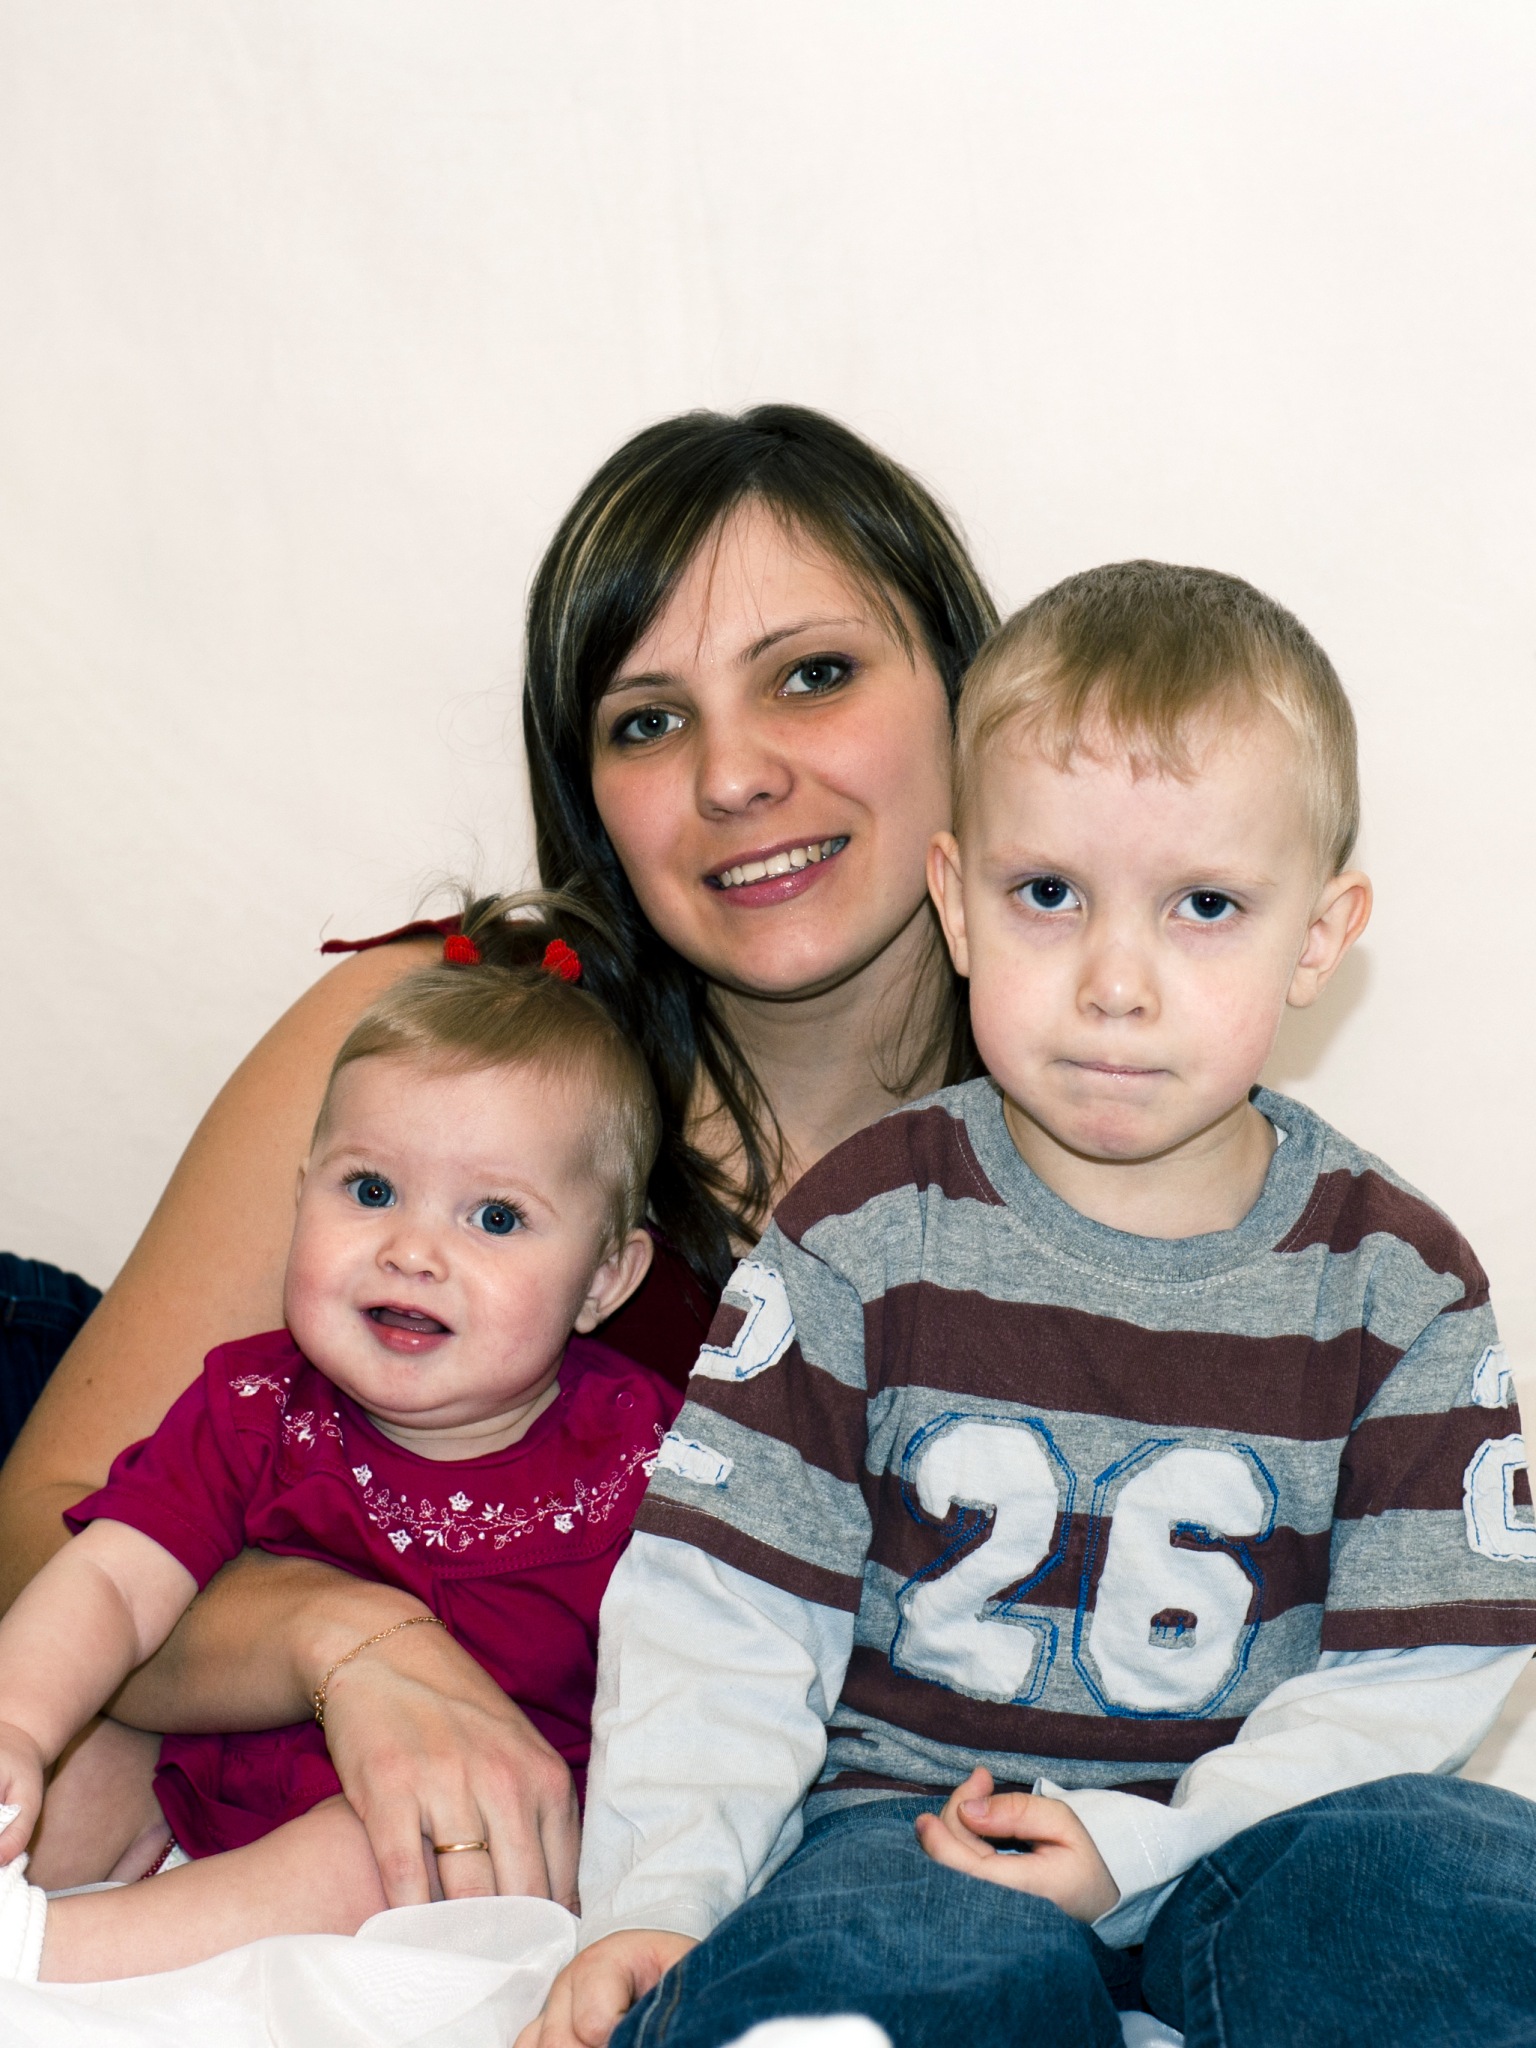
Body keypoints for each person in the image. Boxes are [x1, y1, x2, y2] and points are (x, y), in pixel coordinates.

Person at [521, 562, 1536, 2048]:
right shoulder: (859, 1235)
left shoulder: (1399, 1285)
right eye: (1048, 895)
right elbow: (725, 1613)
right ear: (957, 902)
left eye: (1204, 906)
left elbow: (1416, 1674)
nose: (1116, 983)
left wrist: (1150, 1841)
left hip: (1250, 1840)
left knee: (1467, 1879)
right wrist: (657, 1899)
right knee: (891, 1956)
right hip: (922, 1827)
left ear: (1319, 937)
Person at [0, 405, 997, 1908]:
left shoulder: (1114, 1159)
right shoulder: (436, 1050)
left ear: (969, 696)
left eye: (813, 674)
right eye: (647, 720)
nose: (733, 775)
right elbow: (46, 1539)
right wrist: (350, 1641)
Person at [0, 909, 681, 1981]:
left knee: (369, 1843)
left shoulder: (647, 1457)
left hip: (467, 1856)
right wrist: (19, 1725)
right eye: (370, 1191)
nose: (412, 1250)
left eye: (495, 1218)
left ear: (605, 1278)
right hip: (217, 1790)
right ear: (300, 1194)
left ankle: (50, 1963)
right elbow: (114, 1583)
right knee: (85, 1742)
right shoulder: (254, 1402)